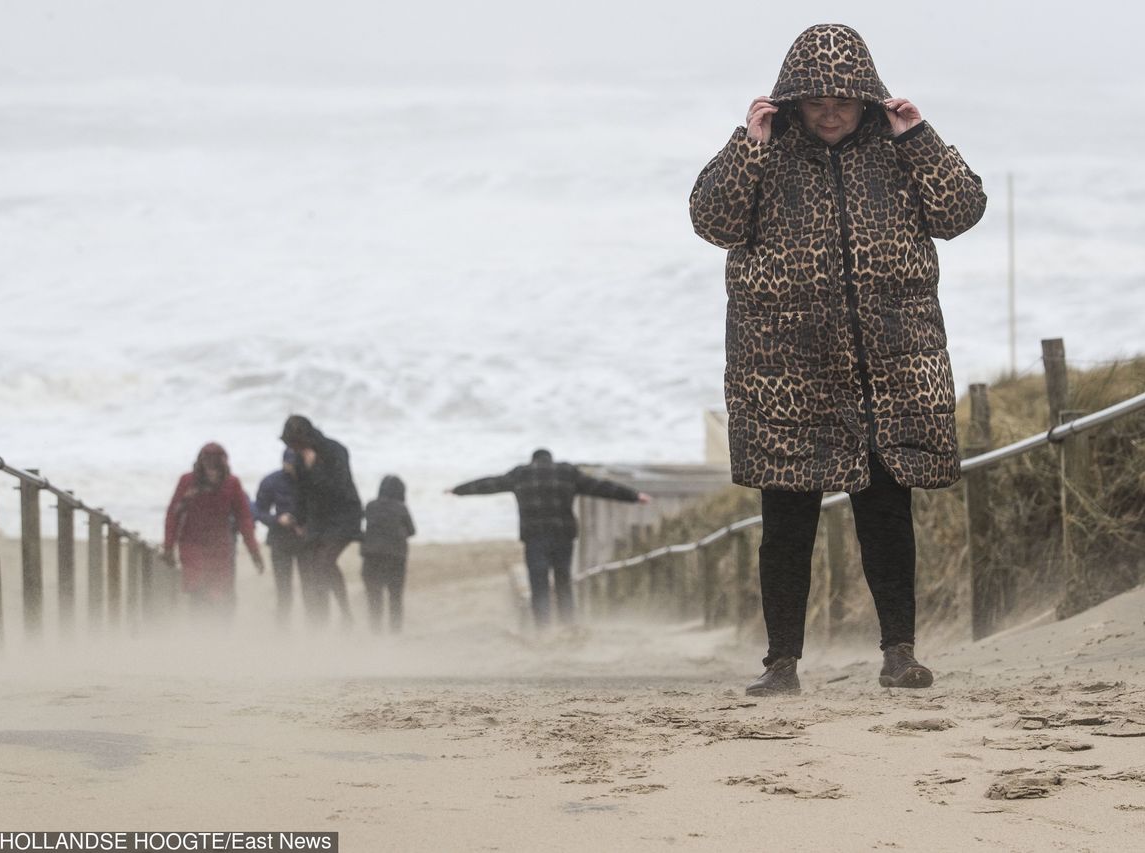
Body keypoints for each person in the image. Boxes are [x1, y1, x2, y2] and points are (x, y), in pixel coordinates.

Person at [689, 24, 986, 695]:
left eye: (843, 101)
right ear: (792, 101)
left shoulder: (898, 152)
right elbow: (714, 221)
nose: (829, 112)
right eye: (816, 101)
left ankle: (899, 653)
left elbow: (962, 208)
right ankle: (781, 663)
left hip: (888, 372)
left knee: (886, 517)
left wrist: (919, 137)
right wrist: (749, 147)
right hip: (786, 375)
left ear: (867, 100)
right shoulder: (765, 155)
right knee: (786, 528)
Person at [449, 449, 651, 627]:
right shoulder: (566, 473)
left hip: (534, 538)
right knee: (563, 581)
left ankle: (543, 628)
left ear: (533, 460)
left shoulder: (521, 474)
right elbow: (601, 487)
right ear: (550, 459)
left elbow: (489, 484)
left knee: (539, 584)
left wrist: (459, 490)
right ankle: (568, 625)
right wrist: (634, 496)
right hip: (563, 537)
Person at [280, 415, 363, 628]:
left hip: (344, 515)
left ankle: (346, 616)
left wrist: (313, 467)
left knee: (325, 561)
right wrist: (297, 519)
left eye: (295, 444)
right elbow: (302, 493)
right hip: (319, 518)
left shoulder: (336, 451)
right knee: (314, 567)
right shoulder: (299, 458)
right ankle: (320, 617)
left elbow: (338, 489)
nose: (293, 449)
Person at [163, 443, 264, 616]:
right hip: (191, 543)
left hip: (220, 547)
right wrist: (168, 547)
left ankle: (221, 634)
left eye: (216, 468)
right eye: (208, 468)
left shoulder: (232, 483)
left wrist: (254, 552)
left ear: (223, 466)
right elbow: (173, 514)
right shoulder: (187, 481)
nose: (212, 473)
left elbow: (244, 519)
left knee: (220, 593)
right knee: (197, 588)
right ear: (200, 465)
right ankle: (200, 633)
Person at [361, 475, 416, 634]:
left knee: (374, 596)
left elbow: (360, 520)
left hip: (371, 555)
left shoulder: (371, 506)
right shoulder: (401, 508)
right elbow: (412, 531)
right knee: (395, 597)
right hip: (395, 556)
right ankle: (395, 631)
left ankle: (375, 631)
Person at [253, 449, 302, 625]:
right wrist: (277, 520)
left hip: (306, 540)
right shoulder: (271, 481)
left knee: (310, 586)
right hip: (280, 539)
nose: (293, 468)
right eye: (289, 464)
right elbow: (258, 511)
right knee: (283, 588)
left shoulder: (312, 481)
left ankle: (315, 627)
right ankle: (283, 627)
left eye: (296, 464)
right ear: (283, 462)